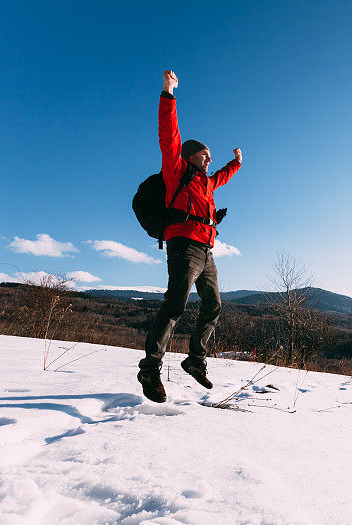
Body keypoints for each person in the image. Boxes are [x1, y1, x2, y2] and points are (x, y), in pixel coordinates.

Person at [137, 70, 242, 402]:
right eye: (205, 155)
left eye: (210, 157)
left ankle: (195, 359)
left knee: (213, 305)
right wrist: (168, 94)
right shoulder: (177, 171)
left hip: (207, 251)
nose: (209, 160)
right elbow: (169, 135)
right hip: (184, 246)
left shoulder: (208, 183)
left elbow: (223, 176)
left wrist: (236, 163)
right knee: (175, 305)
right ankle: (150, 369)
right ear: (190, 155)